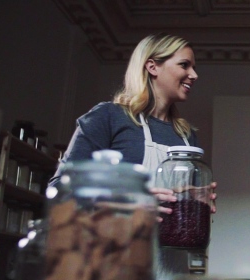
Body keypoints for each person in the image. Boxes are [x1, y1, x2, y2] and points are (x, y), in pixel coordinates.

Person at [49, 32, 216, 217]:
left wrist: (193, 201)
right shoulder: (108, 117)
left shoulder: (187, 136)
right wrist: (128, 201)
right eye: (184, 65)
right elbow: (60, 189)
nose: (194, 75)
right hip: (115, 243)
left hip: (169, 247)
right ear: (152, 67)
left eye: (193, 67)